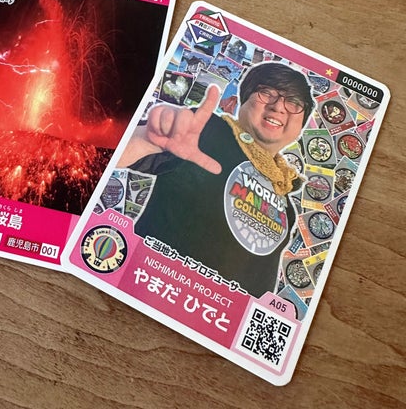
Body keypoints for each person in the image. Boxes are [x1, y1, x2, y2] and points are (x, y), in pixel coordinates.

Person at [118, 62, 315, 297]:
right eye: (267, 92)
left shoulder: (286, 198)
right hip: (152, 288)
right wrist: (146, 140)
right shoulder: (205, 130)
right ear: (244, 99)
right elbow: (114, 156)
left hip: (222, 312)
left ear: (301, 125)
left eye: (293, 102)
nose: (279, 106)